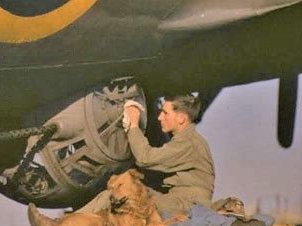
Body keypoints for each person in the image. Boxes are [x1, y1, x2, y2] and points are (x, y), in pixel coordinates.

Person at [75, 93, 215, 218]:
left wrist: (133, 126)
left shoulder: (187, 143)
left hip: (186, 206)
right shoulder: (189, 140)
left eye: (165, 113)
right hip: (184, 203)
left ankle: (63, 224)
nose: (160, 117)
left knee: (117, 195)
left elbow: (144, 158)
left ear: (181, 119)